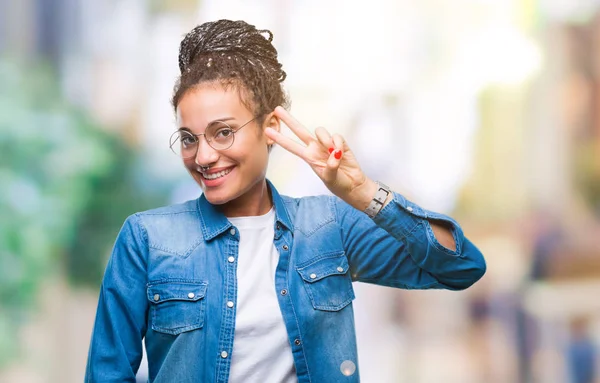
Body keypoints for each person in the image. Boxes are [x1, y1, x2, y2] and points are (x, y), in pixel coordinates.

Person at [85, 19, 486, 383]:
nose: (203, 156)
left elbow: (460, 266)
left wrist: (363, 193)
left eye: (223, 133)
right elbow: (107, 375)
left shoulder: (328, 228)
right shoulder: (147, 238)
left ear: (271, 127)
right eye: (190, 138)